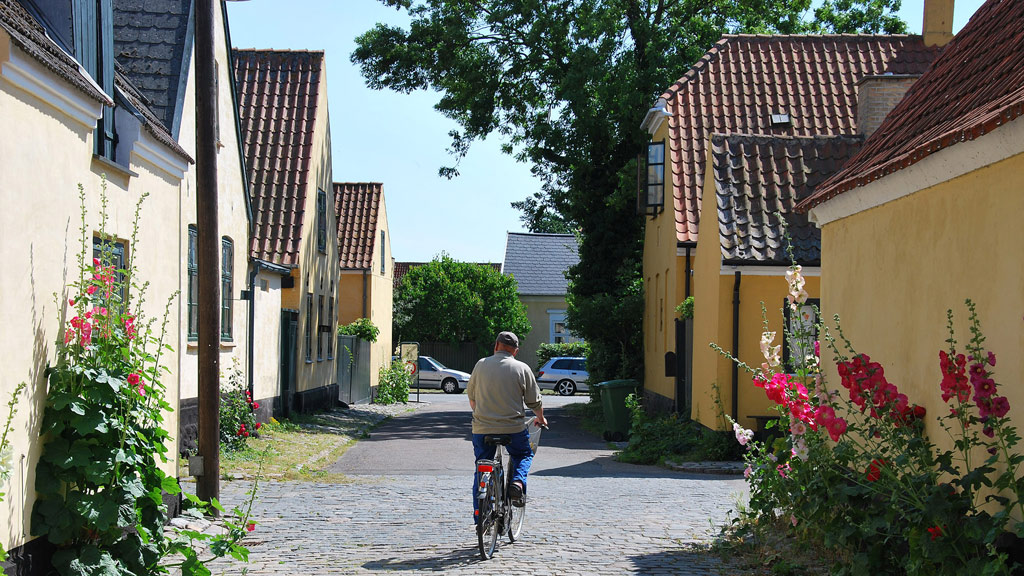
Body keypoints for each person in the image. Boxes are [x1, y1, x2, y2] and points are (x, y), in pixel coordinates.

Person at [467, 331, 547, 520]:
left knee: (482, 465)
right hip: (513, 429)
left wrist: (483, 415)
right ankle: (517, 483)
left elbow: (472, 399)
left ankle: (481, 518)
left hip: (482, 429)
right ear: (515, 351)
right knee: (523, 454)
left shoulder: (480, 365)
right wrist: (541, 418)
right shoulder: (522, 368)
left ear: (496, 346)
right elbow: (534, 402)